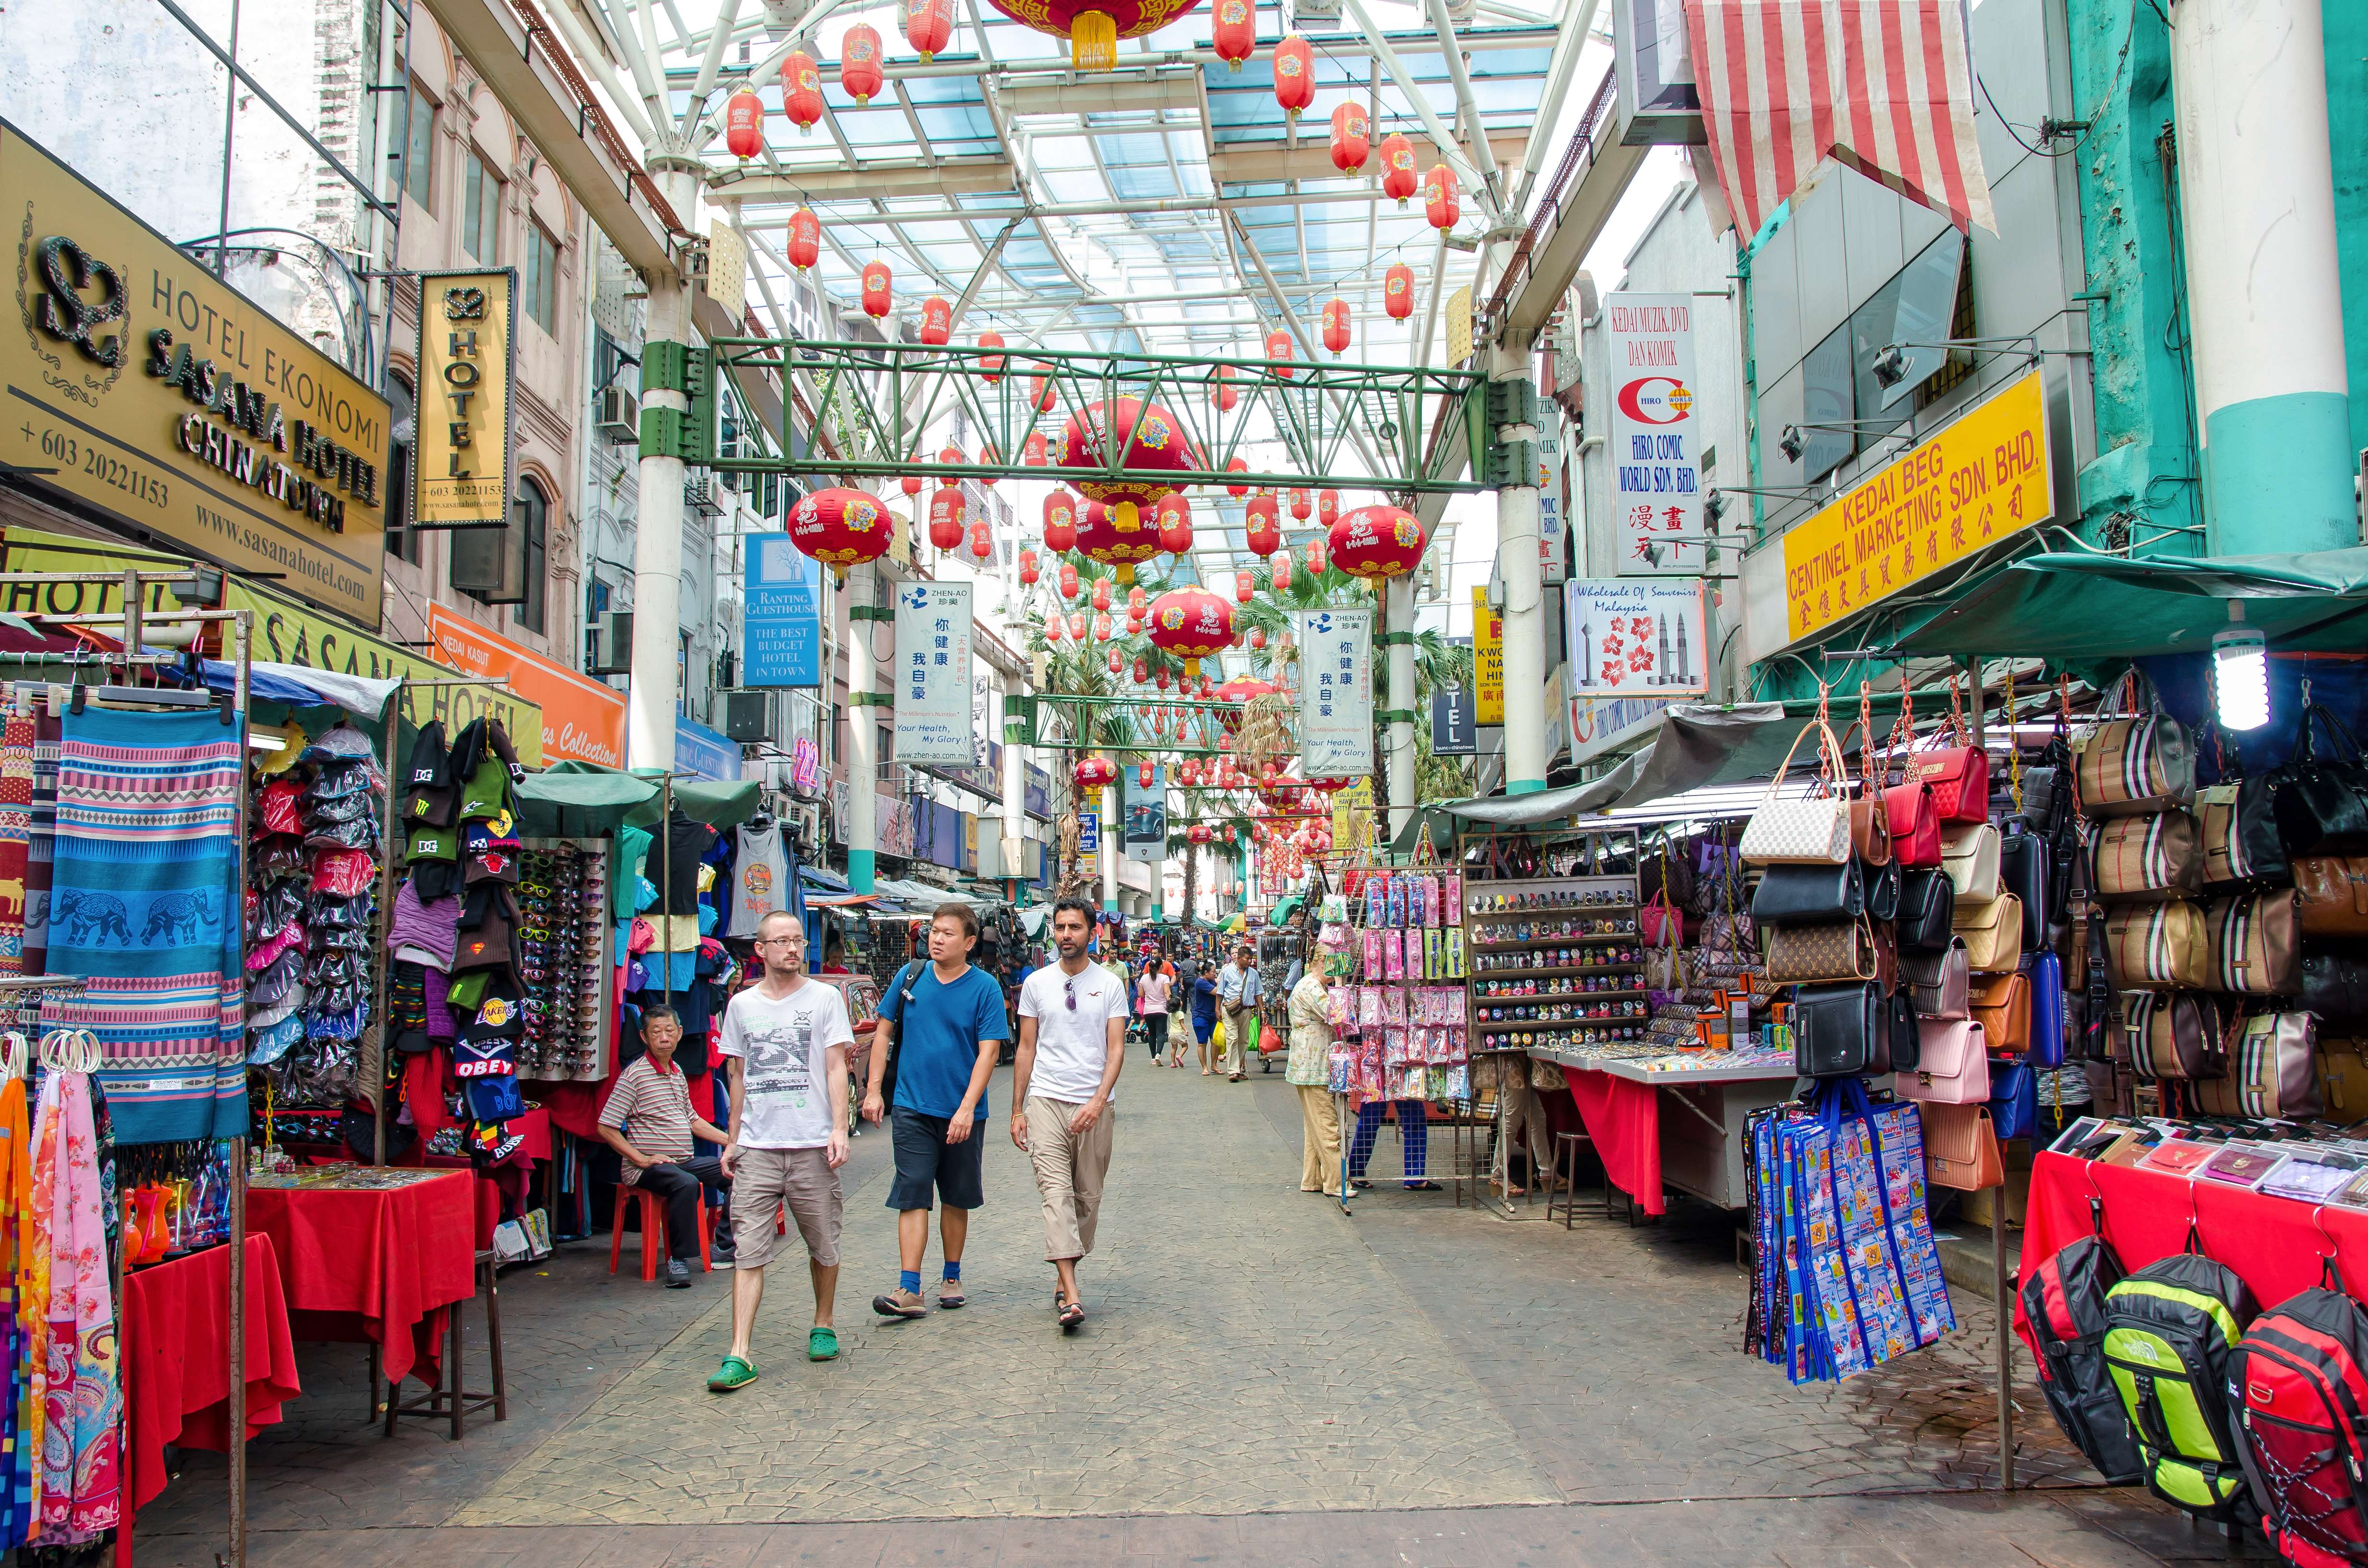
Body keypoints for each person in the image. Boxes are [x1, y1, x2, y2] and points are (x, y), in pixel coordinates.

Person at [707, 912, 854, 1388]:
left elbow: (836, 1067)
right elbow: (736, 1076)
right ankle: (739, 1352)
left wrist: (838, 1127)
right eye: (782, 941)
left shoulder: (825, 998)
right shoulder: (742, 1006)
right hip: (758, 1147)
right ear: (761, 949)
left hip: (812, 1143)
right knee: (749, 1250)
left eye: (798, 940)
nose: (793, 949)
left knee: (823, 1243)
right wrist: (732, 1140)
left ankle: (823, 1323)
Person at [862, 902, 1009, 1319]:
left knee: (955, 1196)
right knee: (912, 1193)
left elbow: (989, 1052)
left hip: (963, 1112)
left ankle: (951, 1276)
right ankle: (909, 1287)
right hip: (911, 1106)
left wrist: (966, 1109)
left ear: (969, 942)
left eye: (947, 933)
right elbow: (884, 1032)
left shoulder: (985, 988)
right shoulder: (911, 977)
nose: (937, 939)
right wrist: (874, 1091)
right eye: (933, 931)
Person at [1012, 897, 1127, 1329]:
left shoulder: (1110, 984)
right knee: (1055, 1194)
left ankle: (1068, 1269)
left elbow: (1115, 1050)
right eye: (1060, 927)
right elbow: (1026, 1048)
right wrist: (1017, 1109)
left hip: (1095, 1106)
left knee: (1088, 1199)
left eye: (1074, 927)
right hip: (1046, 1100)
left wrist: (1098, 1101)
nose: (1065, 935)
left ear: (1091, 931)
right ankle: (1071, 1293)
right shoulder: (1036, 983)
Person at [598, 1004, 736, 1287]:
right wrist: (640, 1158)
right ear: (644, 1037)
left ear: (680, 1034)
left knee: (738, 1171)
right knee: (684, 1184)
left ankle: (725, 1247)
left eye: (669, 1031)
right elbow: (606, 1126)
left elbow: (693, 1120)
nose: (664, 1037)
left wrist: (733, 1143)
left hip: (683, 1160)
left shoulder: (676, 1072)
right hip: (648, 1166)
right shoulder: (634, 1075)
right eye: (656, 1032)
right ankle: (679, 1260)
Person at [1285, 961, 1342, 1195]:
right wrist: (1340, 987)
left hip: (1309, 1065)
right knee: (1327, 1126)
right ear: (1322, 963)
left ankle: (1313, 1179)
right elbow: (1336, 1013)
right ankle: (1337, 1183)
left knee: (1314, 1126)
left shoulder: (1311, 985)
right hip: (1313, 1067)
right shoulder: (1311, 987)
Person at [1219, 942, 1262, 1081]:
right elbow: (1220, 992)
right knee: (1232, 1039)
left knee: (1244, 1041)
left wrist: (1263, 1011)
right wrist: (1217, 1009)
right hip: (1230, 1010)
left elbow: (1258, 993)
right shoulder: (1227, 971)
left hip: (1247, 1011)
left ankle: (1238, 1069)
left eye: (1251, 959)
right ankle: (1233, 1071)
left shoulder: (1253, 974)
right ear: (1239, 958)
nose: (1250, 961)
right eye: (1247, 959)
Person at [1134, 957, 1171, 1065]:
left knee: (1152, 1034)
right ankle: (1158, 1054)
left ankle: (1153, 1058)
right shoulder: (1165, 978)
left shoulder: (1144, 978)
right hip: (1161, 1009)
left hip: (1148, 1010)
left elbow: (1141, 994)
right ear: (1161, 967)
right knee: (1161, 1033)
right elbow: (1167, 992)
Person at [1190, 962, 1220, 1076]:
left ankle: (1214, 1065)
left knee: (1215, 1042)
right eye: (1213, 972)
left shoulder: (1212, 981)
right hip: (1200, 1016)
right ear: (1206, 973)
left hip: (1213, 1016)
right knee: (1202, 1043)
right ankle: (1205, 1067)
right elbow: (1216, 992)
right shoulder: (1200, 982)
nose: (1215, 974)